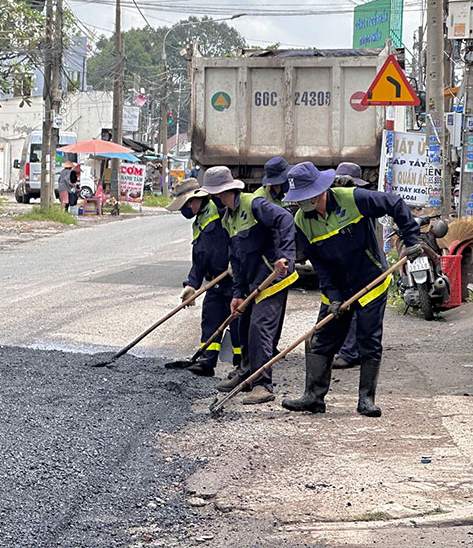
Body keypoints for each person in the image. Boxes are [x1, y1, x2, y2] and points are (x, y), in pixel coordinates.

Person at [281, 162, 421, 418]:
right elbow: (320, 266)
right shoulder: (301, 221)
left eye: (303, 198)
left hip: (370, 282)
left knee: (368, 340)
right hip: (337, 288)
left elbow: (395, 203)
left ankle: (366, 399)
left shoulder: (354, 199)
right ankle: (313, 397)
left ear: (318, 192)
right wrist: (333, 298)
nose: (300, 204)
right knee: (321, 341)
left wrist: (411, 239)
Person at [202, 166, 298, 405]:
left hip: (273, 277)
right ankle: (246, 373)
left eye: (215, 195)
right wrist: (237, 294)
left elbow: (285, 219)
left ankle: (262, 384)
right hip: (252, 281)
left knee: (259, 329)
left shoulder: (254, 204)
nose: (215, 200)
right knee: (243, 325)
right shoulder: (228, 218)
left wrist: (285, 256)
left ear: (223, 192)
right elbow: (236, 259)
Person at [167, 178, 236, 377]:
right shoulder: (198, 222)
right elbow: (200, 257)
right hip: (216, 280)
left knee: (237, 323)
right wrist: (191, 285)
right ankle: (207, 361)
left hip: (234, 278)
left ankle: (242, 366)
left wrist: (236, 261)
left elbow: (238, 237)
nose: (185, 210)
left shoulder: (221, 210)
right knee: (211, 318)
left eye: (186, 204)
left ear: (196, 200)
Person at [330, 162, 370, 370]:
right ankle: (343, 348)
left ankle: (350, 352)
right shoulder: (335, 204)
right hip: (342, 267)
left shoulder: (359, 203)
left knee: (358, 308)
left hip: (361, 266)